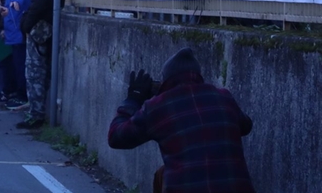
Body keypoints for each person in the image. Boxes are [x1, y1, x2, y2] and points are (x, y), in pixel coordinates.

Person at [108, 48, 254, 193]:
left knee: (163, 175)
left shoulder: (157, 107)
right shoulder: (224, 97)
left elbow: (116, 137)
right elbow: (246, 126)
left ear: (166, 80)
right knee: (162, 173)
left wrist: (133, 100)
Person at [17, 0, 68, 129]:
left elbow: (37, 5)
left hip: (39, 30)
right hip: (52, 28)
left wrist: (26, 25)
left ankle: (36, 114)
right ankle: (41, 112)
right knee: (46, 72)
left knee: (34, 72)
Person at [0, 0, 32, 109]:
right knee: (13, 62)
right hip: (13, 26)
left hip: (17, 28)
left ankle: (21, 95)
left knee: (20, 63)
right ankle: (16, 92)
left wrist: (15, 3)